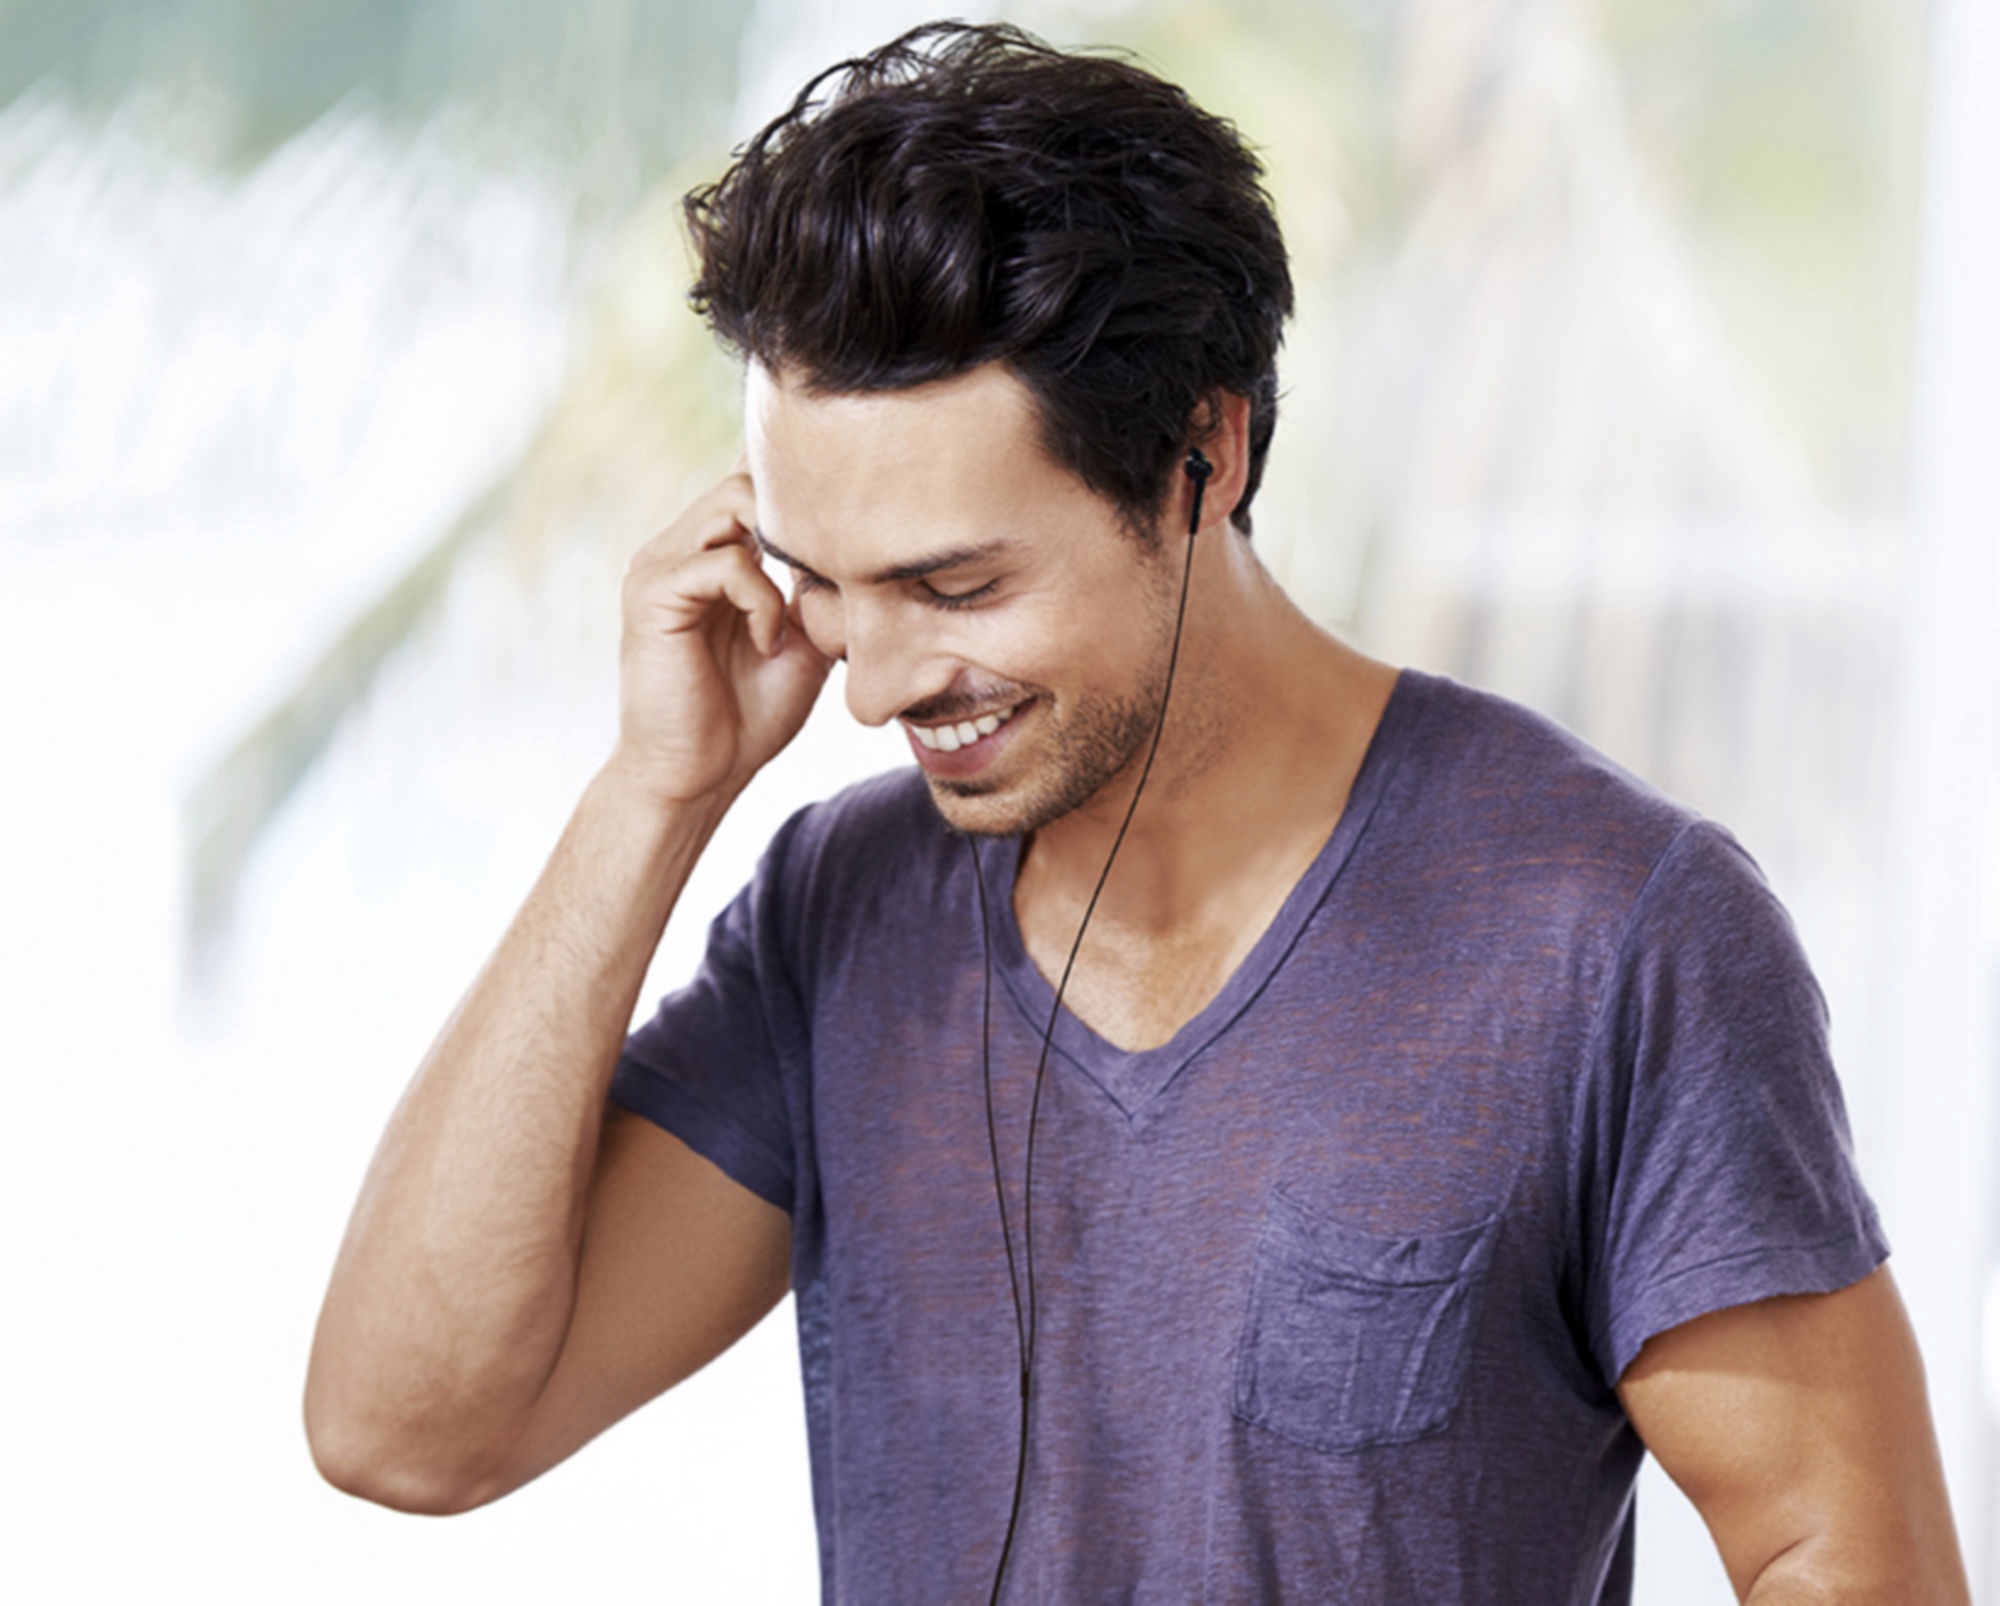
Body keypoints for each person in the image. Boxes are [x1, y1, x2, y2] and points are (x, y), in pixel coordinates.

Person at [305, 22, 1968, 1603]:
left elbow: (1847, 1557)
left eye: (956, 584)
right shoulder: (839, 914)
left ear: (1203, 454)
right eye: (825, 583)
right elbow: (407, 1430)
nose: (875, 685)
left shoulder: (1613, 930)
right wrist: (652, 793)